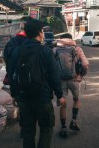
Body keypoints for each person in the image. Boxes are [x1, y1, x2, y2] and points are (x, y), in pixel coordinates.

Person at [9, 18, 65, 148]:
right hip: (42, 97)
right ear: (40, 33)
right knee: (46, 128)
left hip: (23, 98)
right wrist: (60, 95)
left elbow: (11, 73)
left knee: (28, 132)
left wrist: (14, 94)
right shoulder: (46, 51)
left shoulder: (17, 51)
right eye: (43, 31)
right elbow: (54, 75)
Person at [54, 34, 89, 138]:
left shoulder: (55, 50)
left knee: (63, 103)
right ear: (70, 38)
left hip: (60, 80)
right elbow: (84, 64)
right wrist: (81, 75)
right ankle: (73, 121)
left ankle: (63, 127)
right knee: (76, 100)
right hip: (74, 79)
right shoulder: (76, 48)